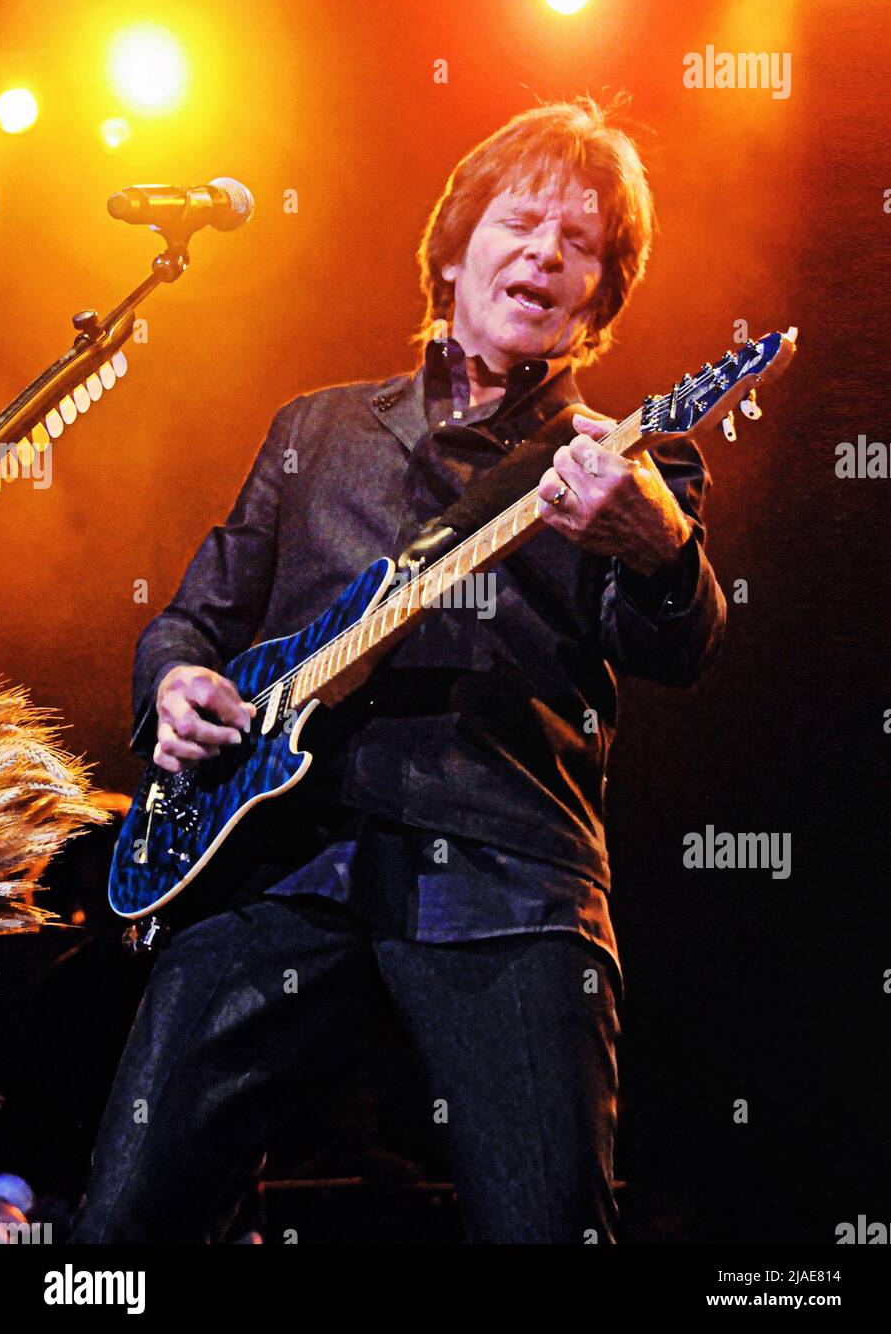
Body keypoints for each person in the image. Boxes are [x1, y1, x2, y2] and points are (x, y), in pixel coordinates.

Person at [70, 96, 725, 1245]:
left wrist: (662, 541)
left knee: (551, 1227)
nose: (546, 255)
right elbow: (191, 621)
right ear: (457, 245)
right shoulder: (314, 430)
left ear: (599, 298)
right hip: (275, 855)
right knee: (123, 1229)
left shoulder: (632, 460)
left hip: (504, 869)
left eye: (581, 245)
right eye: (523, 223)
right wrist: (174, 690)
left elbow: (676, 645)